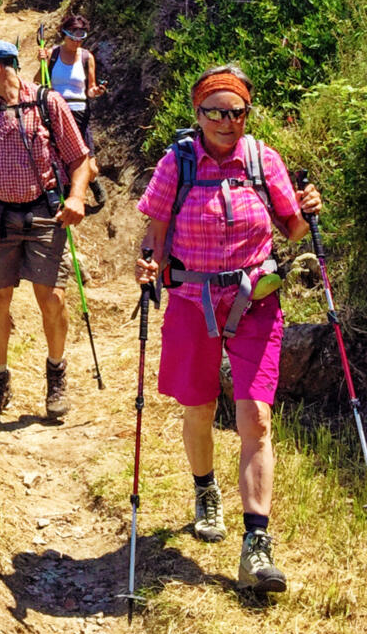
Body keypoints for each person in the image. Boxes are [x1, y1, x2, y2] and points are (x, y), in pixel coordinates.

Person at [132, 66, 322, 593]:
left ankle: (256, 546)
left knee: (255, 418)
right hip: (192, 301)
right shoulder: (179, 163)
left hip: (255, 301)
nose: (226, 120)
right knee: (197, 408)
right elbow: (156, 231)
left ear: (246, 114)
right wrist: (149, 263)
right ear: (197, 115)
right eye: (215, 111)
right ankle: (204, 488)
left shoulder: (263, 161)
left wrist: (308, 210)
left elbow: (292, 227)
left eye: (235, 111)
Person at [0, 38, 94, 423]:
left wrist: (77, 197)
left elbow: (80, 159)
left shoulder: (48, 104)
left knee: (52, 298)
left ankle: (56, 375)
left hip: (45, 212)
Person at [44, 13, 104, 153]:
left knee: (86, 157)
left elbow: (90, 89)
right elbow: (38, 80)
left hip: (79, 112)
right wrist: (42, 61)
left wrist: (96, 91)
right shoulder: (52, 54)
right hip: (55, 112)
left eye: (80, 39)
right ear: (64, 35)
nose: (76, 42)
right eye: (72, 38)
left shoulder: (87, 57)